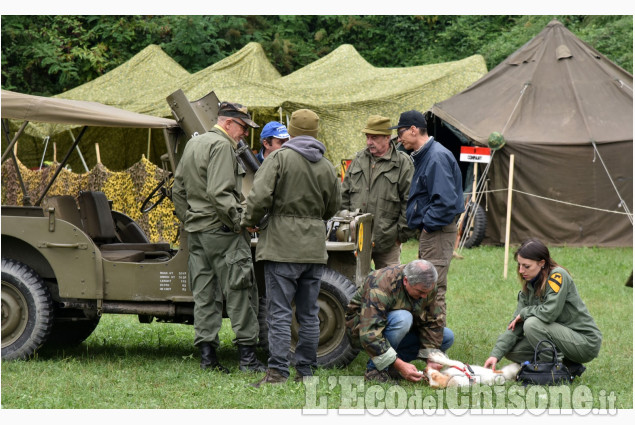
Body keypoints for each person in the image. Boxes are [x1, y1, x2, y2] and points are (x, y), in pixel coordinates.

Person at [241, 109, 341, 387]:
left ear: (292, 132)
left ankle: (277, 373)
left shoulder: (279, 159)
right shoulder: (327, 167)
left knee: (279, 312)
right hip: (313, 247)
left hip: (281, 246)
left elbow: (258, 197)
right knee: (309, 314)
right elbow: (333, 207)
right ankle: (306, 371)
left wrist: (249, 221)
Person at [172, 101, 265, 374]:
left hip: (198, 233)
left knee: (205, 294)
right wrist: (240, 223)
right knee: (241, 290)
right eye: (243, 127)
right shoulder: (223, 146)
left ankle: (207, 357)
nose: (245, 134)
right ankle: (248, 359)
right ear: (227, 123)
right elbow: (220, 193)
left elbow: (178, 189)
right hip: (223, 232)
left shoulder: (194, 143)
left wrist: (190, 219)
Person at [392, 110, 464, 340]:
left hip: (438, 231)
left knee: (431, 289)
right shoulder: (426, 155)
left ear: (413, 129)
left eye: (401, 132)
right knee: (426, 286)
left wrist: (427, 226)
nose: (399, 137)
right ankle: (426, 342)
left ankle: (432, 349)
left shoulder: (435, 157)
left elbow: (445, 203)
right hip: (434, 231)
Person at [484, 238, 602, 378]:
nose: (521, 271)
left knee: (532, 324)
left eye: (526, 266)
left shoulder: (558, 276)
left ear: (541, 263)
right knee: (511, 350)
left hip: (584, 341)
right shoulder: (528, 288)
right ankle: (568, 366)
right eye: (519, 265)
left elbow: (549, 313)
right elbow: (514, 326)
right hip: (561, 338)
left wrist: (524, 313)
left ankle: (551, 370)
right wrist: (495, 355)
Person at [346, 259, 455, 383]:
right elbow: (369, 334)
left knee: (447, 337)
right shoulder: (381, 283)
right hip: (362, 331)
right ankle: (375, 371)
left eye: (427, 293)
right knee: (403, 318)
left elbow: (433, 322)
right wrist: (400, 365)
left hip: (397, 330)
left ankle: (392, 367)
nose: (424, 297)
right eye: (420, 292)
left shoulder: (427, 285)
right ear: (406, 280)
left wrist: (431, 358)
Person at [341, 115, 414, 269]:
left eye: (374, 137)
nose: (369, 142)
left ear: (387, 137)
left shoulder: (402, 163)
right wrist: (344, 227)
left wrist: (400, 236)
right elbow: (344, 195)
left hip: (387, 241)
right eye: (367, 137)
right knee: (352, 285)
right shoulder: (359, 159)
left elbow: (410, 202)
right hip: (356, 239)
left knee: (388, 285)